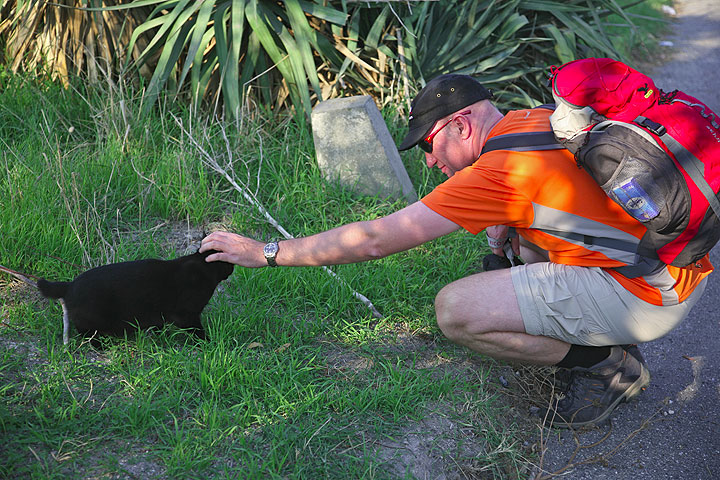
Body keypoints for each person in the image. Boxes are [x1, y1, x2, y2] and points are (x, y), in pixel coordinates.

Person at [200, 73, 712, 428]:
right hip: (674, 267)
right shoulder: (533, 121)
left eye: (428, 144)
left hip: (646, 295)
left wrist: (266, 251)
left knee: (457, 311)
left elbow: (376, 237)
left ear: (461, 124)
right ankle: (608, 332)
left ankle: (609, 364)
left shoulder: (496, 173)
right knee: (515, 244)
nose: (428, 160)